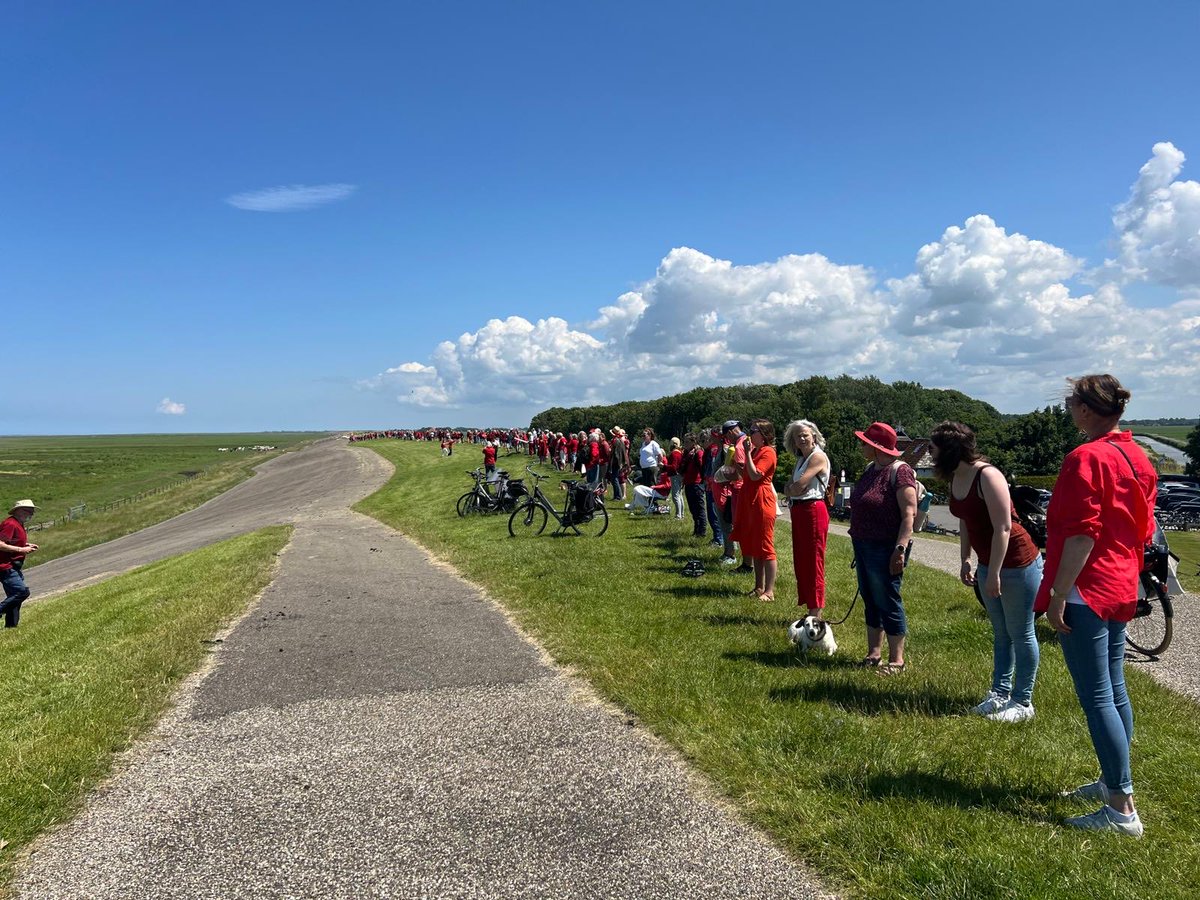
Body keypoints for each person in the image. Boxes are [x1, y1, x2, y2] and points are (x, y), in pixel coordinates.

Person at [1037, 374, 1155, 837]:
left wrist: (1058, 595)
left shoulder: (1086, 457)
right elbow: (1144, 526)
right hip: (1122, 580)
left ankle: (1121, 807)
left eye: (1070, 401)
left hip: (1088, 585)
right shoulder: (1136, 454)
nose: (1067, 407)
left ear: (1087, 410)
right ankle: (1113, 781)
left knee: (1098, 696)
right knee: (1115, 688)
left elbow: (1082, 533)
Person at [931, 421, 1042, 722]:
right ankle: (999, 694)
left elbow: (1003, 528)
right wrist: (966, 558)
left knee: (1022, 632)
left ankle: (1023, 702)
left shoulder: (988, 475)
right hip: (987, 564)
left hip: (1017, 564)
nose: (930, 454)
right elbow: (965, 520)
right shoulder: (956, 477)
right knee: (1001, 633)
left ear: (950, 450)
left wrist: (993, 573)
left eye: (934, 448)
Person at [849, 422, 917, 674]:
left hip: (886, 546)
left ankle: (897, 660)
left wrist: (899, 549)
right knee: (870, 598)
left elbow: (909, 513)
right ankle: (873, 653)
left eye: (864, 442)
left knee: (888, 599)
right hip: (863, 544)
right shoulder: (870, 468)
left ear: (875, 447)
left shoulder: (900, 472)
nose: (861, 446)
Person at [782, 419, 830, 618]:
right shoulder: (802, 458)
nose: (801, 438)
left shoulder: (817, 457)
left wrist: (790, 489)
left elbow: (797, 487)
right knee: (801, 560)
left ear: (814, 436)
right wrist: (790, 489)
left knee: (813, 561)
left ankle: (815, 612)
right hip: (800, 511)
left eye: (805, 435)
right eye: (797, 436)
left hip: (813, 511)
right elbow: (790, 488)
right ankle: (810, 606)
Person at [730, 419, 778, 600]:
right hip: (749, 499)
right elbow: (747, 475)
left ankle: (769, 591)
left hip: (761, 501)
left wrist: (748, 454)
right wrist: (736, 465)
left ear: (764, 434)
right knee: (754, 545)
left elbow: (756, 474)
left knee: (765, 546)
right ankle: (759, 587)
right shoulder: (757, 451)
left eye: (754, 430)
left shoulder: (768, 452)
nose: (750, 433)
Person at [0, 500, 39, 628]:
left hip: (14, 566)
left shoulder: (18, 523)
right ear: (19, 511)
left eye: (32, 513)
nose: (31, 515)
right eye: (29, 512)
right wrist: (21, 550)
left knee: (15, 598)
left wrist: (25, 545)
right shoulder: (10, 524)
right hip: (5, 566)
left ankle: (11, 626)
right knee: (21, 592)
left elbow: (12, 541)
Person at [681, 433, 706, 537]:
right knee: (692, 509)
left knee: (699, 508)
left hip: (697, 483)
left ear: (693, 442)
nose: (685, 444)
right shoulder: (687, 454)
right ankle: (696, 529)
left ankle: (702, 531)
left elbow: (701, 467)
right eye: (684, 442)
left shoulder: (698, 453)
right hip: (689, 483)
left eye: (687, 442)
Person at [666, 437, 685, 519]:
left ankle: (678, 515)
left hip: (675, 475)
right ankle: (682, 514)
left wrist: (664, 466)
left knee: (675, 496)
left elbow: (673, 467)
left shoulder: (674, 453)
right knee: (680, 495)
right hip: (680, 475)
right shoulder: (680, 453)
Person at [608, 427, 629, 501]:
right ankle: (616, 495)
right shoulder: (618, 440)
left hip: (616, 462)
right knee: (614, 479)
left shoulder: (616, 440)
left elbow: (617, 453)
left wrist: (615, 462)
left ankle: (618, 496)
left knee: (615, 479)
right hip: (617, 462)